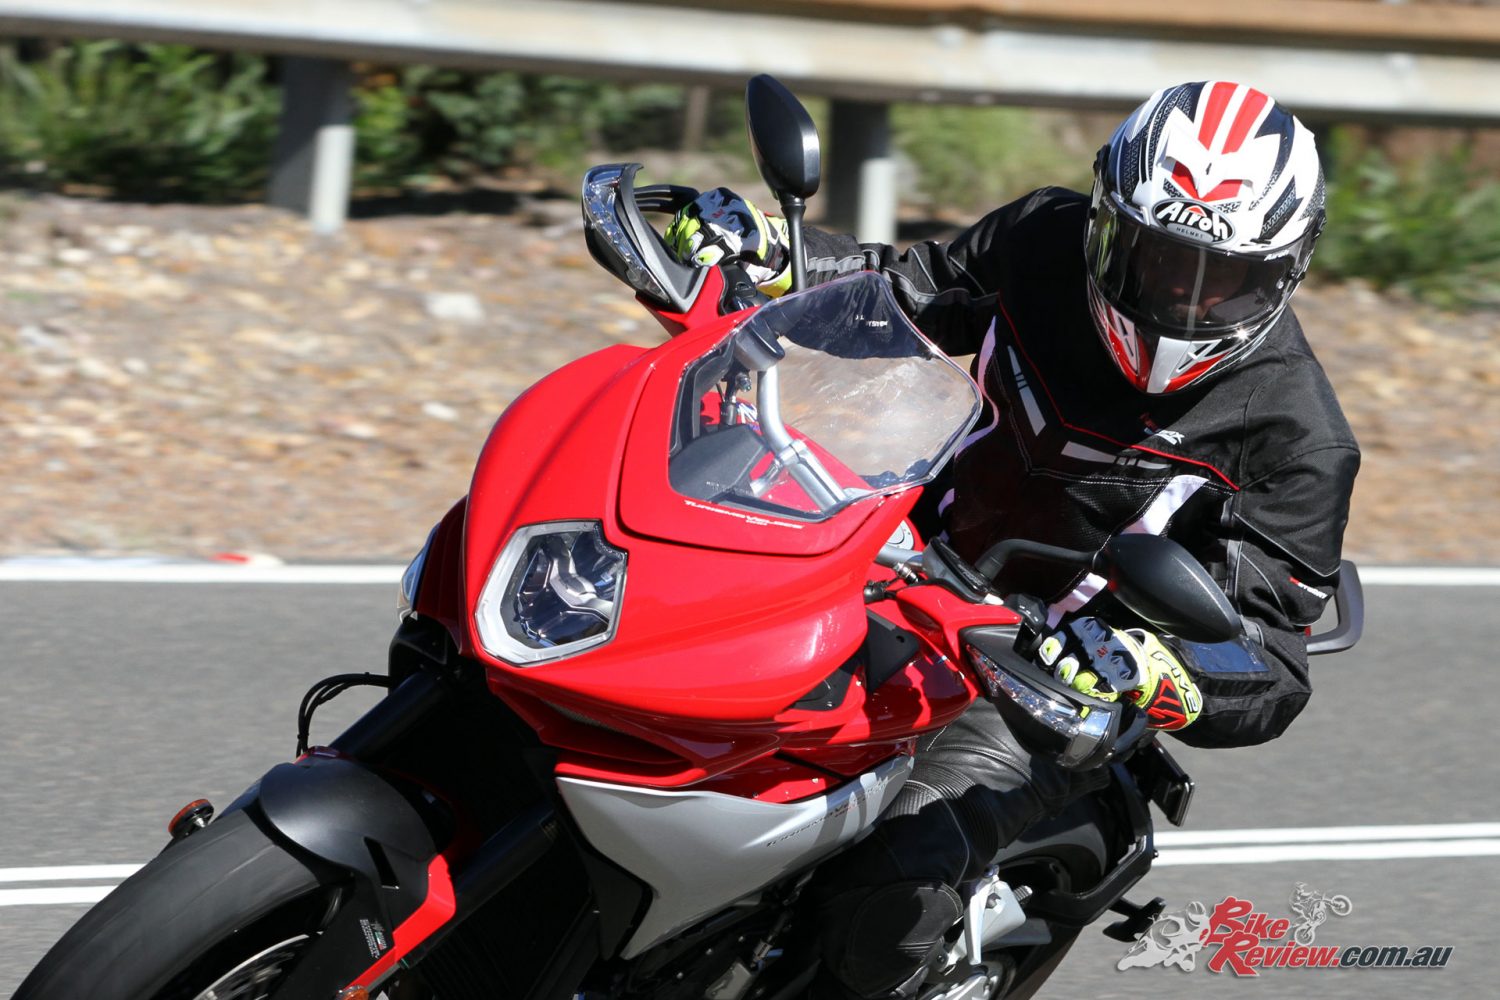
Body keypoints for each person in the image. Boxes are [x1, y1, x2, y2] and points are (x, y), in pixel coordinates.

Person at [667, 80, 1359, 999]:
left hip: (1043, 682)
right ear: (1107, 221)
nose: (1180, 300)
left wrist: (1145, 666)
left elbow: (1270, 661)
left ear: (1287, 269)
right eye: (1154, 258)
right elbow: (897, 295)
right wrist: (768, 253)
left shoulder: (1297, 436)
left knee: (886, 889)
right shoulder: (1043, 239)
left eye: (1222, 277)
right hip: (887, 553)